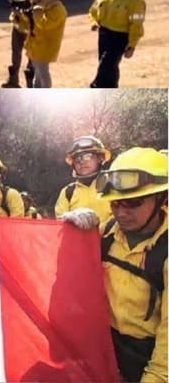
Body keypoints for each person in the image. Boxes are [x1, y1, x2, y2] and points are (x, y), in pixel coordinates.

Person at [59, 147, 166, 383]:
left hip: (145, 359)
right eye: (115, 203)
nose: (121, 212)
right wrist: (69, 233)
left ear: (162, 198)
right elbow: (65, 275)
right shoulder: (106, 233)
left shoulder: (165, 252)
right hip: (103, 348)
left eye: (133, 202)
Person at [90, 0, 146, 88]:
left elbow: (136, 25)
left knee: (106, 64)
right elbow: (93, 11)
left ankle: (95, 86)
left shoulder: (135, 1)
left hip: (120, 37)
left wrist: (131, 46)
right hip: (104, 34)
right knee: (109, 65)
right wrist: (94, 22)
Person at [3, 0, 54, 88]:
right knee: (15, 53)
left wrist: (27, 9)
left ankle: (30, 83)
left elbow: (40, 15)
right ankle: (13, 80)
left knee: (32, 59)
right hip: (18, 26)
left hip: (33, 31)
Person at [55, 135, 114, 226]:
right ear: (73, 164)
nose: (82, 162)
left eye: (87, 156)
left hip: (110, 239)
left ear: (100, 158)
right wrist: (67, 218)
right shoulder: (67, 192)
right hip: (78, 240)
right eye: (77, 159)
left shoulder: (113, 184)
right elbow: (59, 224)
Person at [25, 0, 67, 88]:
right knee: (38, 73)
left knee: (43, 73)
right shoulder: (47, 7)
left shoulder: (58, 10)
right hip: (38, 46)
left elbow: (45, 25)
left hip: (45, 48)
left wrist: (37, 14)